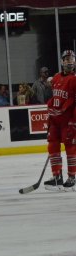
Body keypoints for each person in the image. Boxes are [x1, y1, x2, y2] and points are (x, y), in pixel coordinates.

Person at [44, 50, 76, 191]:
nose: (69, 61)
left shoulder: (75, 79)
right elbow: (55, 98)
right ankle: (57, 176)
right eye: (66, 59)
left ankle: (72, 177)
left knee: (70, 146)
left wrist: (74, 122)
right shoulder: (56, 77)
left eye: (71, 59)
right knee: (52, 145)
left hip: (68, 120)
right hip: (55, 120)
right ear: (62, 61)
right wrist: (50, 108)